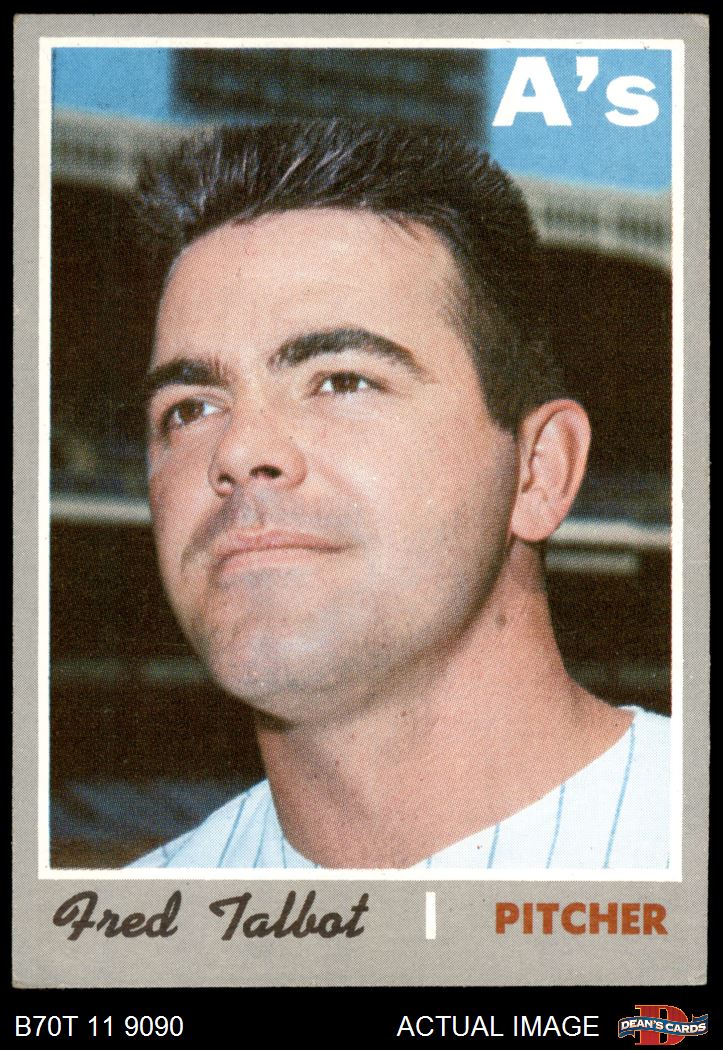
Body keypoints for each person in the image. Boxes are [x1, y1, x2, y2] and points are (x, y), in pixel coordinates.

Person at [128, 119, 669, 870]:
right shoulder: (136, 916)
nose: (238, 450)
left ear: (538, 471)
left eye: (342, 380)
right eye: (190, 409)